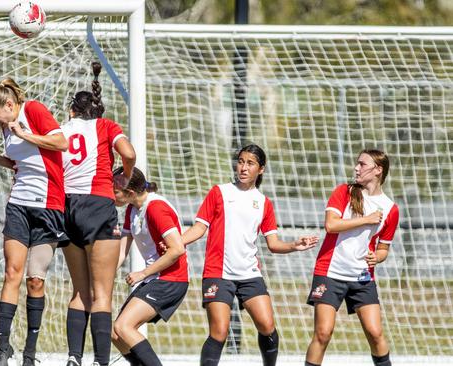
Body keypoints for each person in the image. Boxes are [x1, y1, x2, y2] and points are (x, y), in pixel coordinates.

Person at [183, 144, 318, 366]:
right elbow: (199, 228)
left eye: (250, 163)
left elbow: (273, 244)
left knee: (267, 326)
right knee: (219, 331)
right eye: (241, 161)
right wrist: (176, 242)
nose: (243, 167)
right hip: (218, 273)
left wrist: (295, 244)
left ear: (261, 169)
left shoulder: (264, 203)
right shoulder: (220, 192)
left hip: (249, 274)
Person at [0, 78, 68, 366]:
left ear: (9, 104)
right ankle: (2, 348)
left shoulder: (33, 111)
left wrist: (26, 133)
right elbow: (22, 164)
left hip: (48, 206)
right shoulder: (7, 127)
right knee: (11, 273)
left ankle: (30, 352)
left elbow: (60, 142)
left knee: (34, 280)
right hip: (19, 204)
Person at [60, 62, 136, 366]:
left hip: (67, 207)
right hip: (98, 205)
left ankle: (73, 357)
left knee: (79, 291)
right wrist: (126, 176)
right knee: (102, 293)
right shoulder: (105, 126)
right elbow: (128, 154)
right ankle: (100, 361)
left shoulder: (62, 130)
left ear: (72, 111)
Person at [305, 149, 399, 366]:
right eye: (356, 164)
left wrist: (378, 257)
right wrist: (366, 219)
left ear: (378, 170)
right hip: (330, 273)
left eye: (362, 164)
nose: (356, 168)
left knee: (376, 334)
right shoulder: (344, 192)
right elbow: (331, 225)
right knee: (323, 333)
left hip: (362, 278)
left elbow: (383, 248)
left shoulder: (391, 209)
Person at [111, 167, 188, 366]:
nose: (111, 193)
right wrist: (105, 276)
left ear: (130, 193)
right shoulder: (132, 208)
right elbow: (122, 251)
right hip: (154, 279)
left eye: (115, 190)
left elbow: (177, 249)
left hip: (171, 279)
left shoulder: (155, 208)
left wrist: (142, 273)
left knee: (124, 326)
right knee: (115, 333)